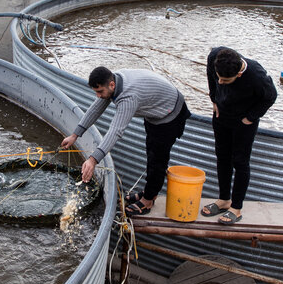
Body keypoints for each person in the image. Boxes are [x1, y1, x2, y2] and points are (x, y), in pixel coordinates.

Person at [61, 66, 191, 216]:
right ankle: (149, 191)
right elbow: (95, 109)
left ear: (111, 85)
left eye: (100, 92)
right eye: (95, 92)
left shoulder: (128, 97)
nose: (98, 96)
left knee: (157, 158)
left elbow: (115, 131)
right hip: (155, 111)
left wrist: (93, 160)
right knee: (151, 152)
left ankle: (148, 200)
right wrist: (75, 135)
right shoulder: (113, 80)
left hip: (171, 114)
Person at [201, 47, 277, 225]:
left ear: (239, 74)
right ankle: (224, 199)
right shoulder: (215, 57)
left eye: (225, 80)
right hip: (221, 114)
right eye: (219, 76)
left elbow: (270, 97)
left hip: (243, 121)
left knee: (240, 161)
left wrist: (250, 118)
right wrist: (214, 99)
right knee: (222, 157)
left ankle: (236, 207)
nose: (220, 81)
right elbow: (211, 77)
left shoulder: (256, 76)